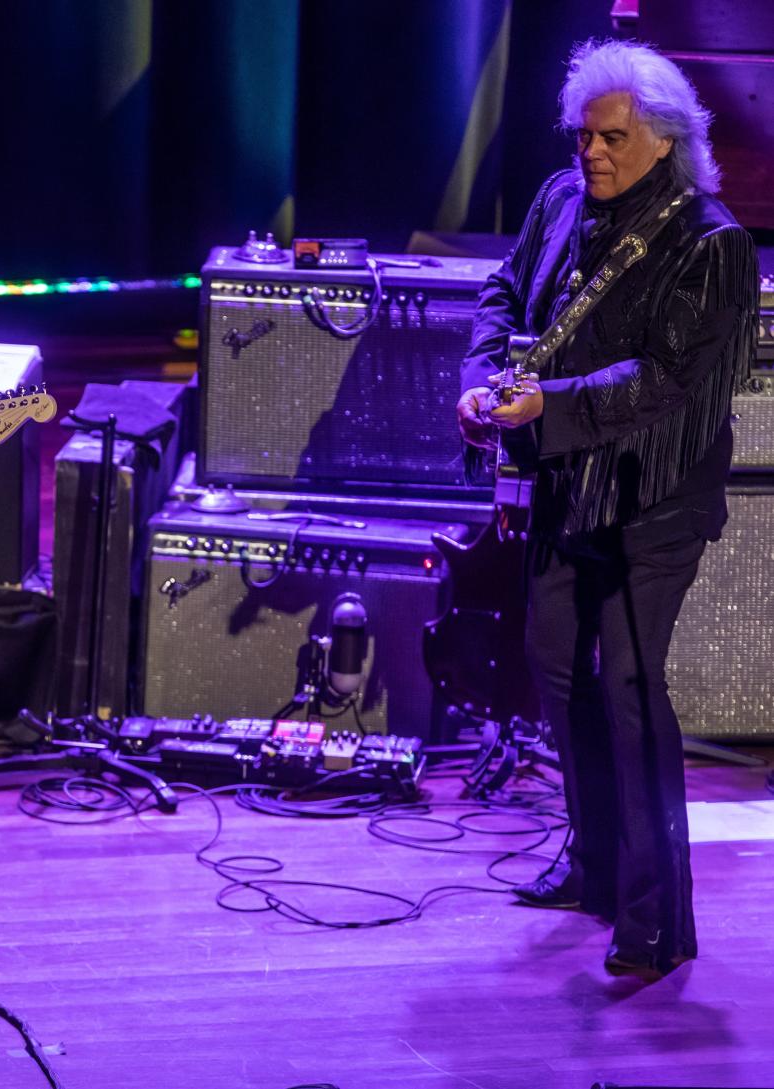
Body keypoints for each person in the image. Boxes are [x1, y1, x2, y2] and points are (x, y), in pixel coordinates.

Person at [456, 39, 756, 979]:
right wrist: (480, 380)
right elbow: (504, 296)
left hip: (654, 501)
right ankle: (592, 868)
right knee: (560, 671)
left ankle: (657, 917)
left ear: (664, 142)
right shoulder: (557, 200)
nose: (592, 153)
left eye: (613, 138)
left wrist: (553, 404)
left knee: (630, 689)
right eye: (584, 135)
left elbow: (666, 381)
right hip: (564, 486)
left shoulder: (712, 243)